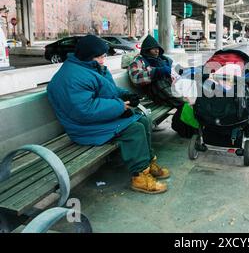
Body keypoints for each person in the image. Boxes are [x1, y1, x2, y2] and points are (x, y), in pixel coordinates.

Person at [47, 35, 170, 195]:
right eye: (100, 56)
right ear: (88, 56)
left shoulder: (90, 67)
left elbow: (108, 90)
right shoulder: (72, 78)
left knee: (143, 119)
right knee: (134, 130)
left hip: (96, 121)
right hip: (83, 128)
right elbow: (85, 110)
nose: (103, 60)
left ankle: (148, 162)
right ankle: (140, 176)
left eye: (104, 56)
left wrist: (125, 95)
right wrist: (120, 106)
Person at [128, 34, 184, 108]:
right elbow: (136, 78)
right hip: (156, 93)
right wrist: (156, 72)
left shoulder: (164, 59)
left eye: (158, 48)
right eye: (153, 48)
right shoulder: (139, 61)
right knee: (186, 103)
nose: (157, 50)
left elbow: (177, 68)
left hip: (171, 87)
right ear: (146, 49)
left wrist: (184, 71)